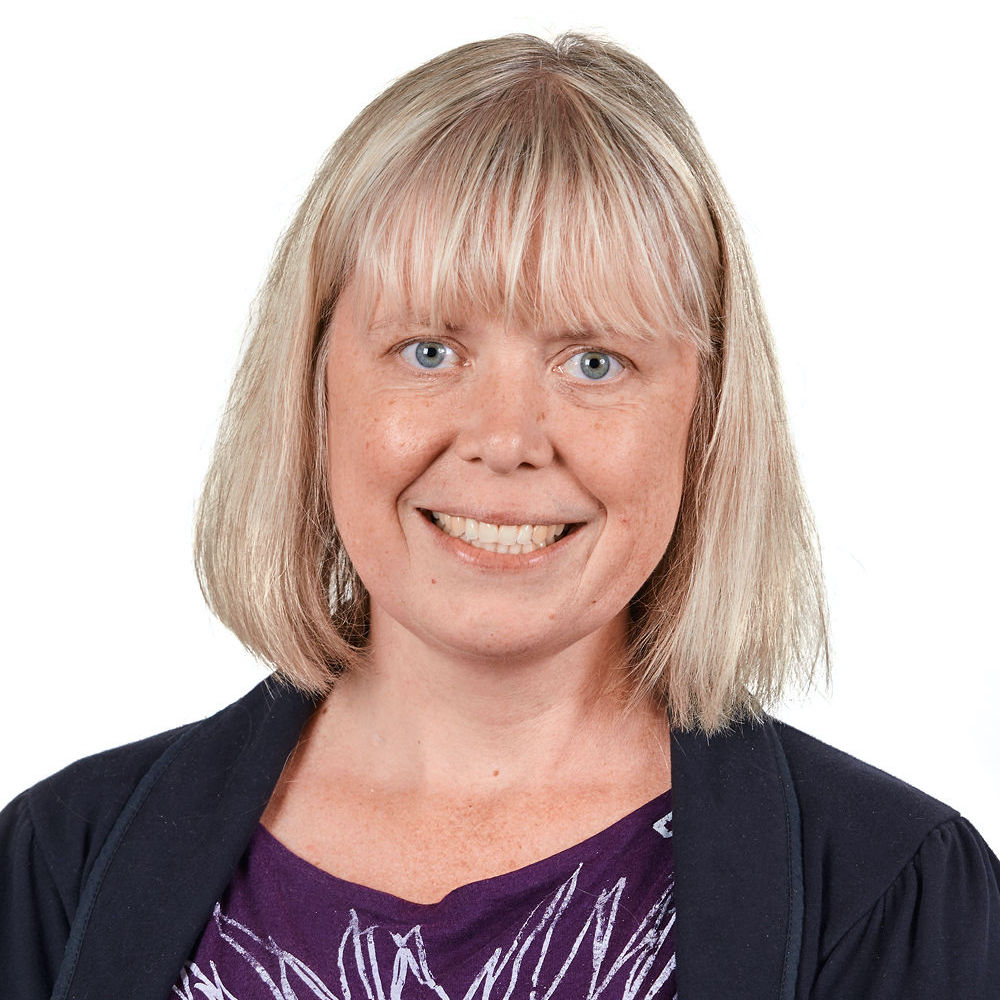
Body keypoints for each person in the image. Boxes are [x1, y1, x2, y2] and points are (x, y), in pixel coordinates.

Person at [2, 32, 998, 1000]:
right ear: (312, 390)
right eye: (429, 349)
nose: (507, 437)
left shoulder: (888, 894)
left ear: (706, 417)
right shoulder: (55, 869)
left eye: (594, 361)